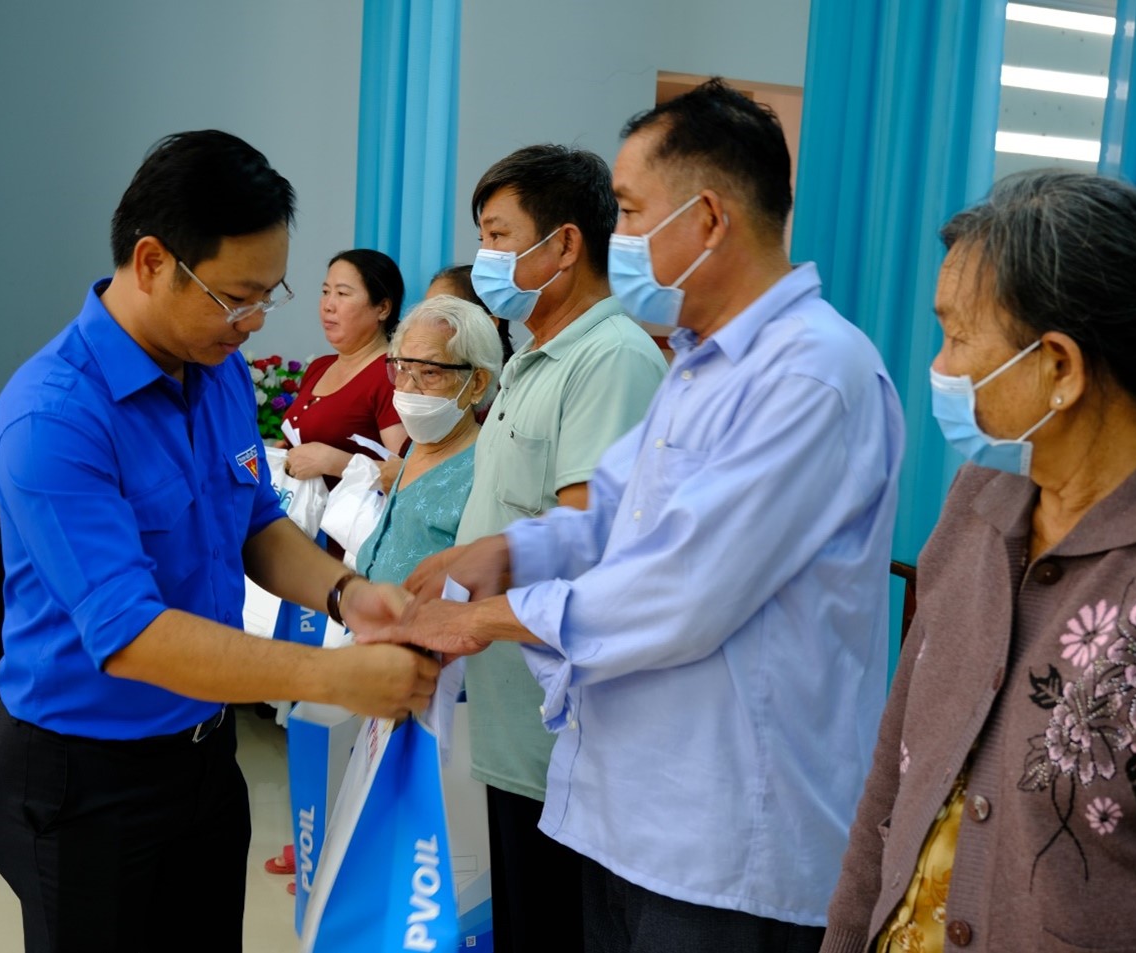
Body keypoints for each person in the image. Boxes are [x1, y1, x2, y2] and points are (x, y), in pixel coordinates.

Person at [378, 79, 905, 952]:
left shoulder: (810, 374)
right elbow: (609, 518)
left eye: (628, 213)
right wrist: (502, 553)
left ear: (708, 218)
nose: (615, 238)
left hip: (725, 838)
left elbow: (682, 586)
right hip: (628, 810)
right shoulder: (699, 364)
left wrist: (486, 617)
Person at [0, 130, 438, 953]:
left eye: (269, 294)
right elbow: (132, 634)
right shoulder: (53, 416)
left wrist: (348, 593)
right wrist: (336, 676)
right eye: (236, 297)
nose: (253, 322)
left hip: (202, 758)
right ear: (153, 261)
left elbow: (254, 521)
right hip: (85, 779)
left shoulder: (216, 368)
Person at [822, 171, 1136, 952]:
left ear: (1060, 366)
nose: (940, 365)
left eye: (958, 337)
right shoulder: (979, 500)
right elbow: (895, 776)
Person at [411, 144, 667, 953]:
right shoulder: (531, 356)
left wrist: (476, 605)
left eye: (499, 235)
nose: (484, 256)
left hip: (558, 738)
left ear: (564, 245)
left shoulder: (611, 359)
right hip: (508, 723)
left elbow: (592, 541)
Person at [357, 294, 502, 586]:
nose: (408, 388)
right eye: (401, 369)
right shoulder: (419, 445)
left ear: (477, 384)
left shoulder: (487, 469)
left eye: (430, 373)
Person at [280, 248, 408, 488]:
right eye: (325, 292)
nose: (328, 305)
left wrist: (335, 462)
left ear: (382, 308)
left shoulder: (392, 375)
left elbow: (407, 476)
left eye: (342, 293)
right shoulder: (319, 367)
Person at [427, 263, 514, 367]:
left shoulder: (513, 375)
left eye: (444, 313)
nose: (426, 322)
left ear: (488, 324)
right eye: (426, 312)